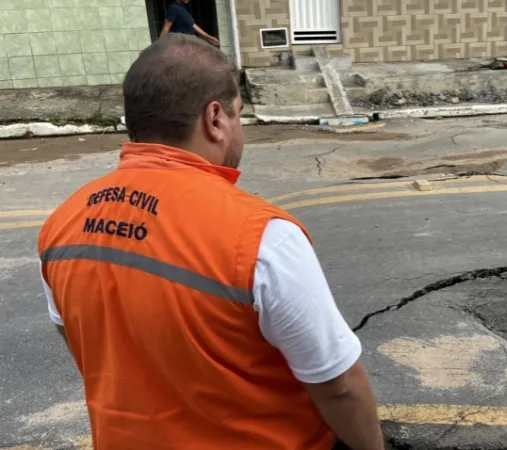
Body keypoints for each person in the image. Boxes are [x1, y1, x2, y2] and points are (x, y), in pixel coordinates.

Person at [37, 34, 383, 450]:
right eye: (239, 116)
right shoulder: (262, 237)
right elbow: (339, 386)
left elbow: (85, 342)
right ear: (215, 119)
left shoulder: (62, 224)